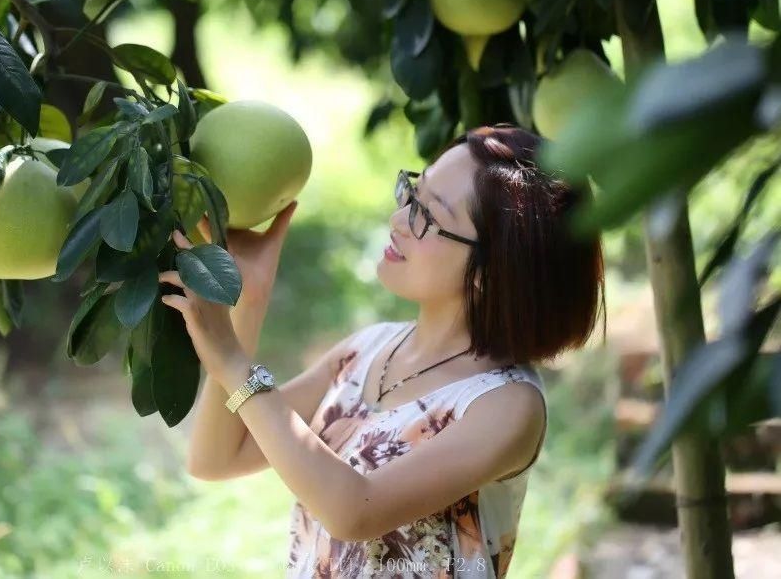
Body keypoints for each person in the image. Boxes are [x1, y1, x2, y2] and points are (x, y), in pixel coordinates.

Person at [158, 124, 606, 578]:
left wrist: (235, 365)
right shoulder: (365, 352)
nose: (397, 220)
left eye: (428, 217)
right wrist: (249, 301)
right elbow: (216, 458)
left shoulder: (506, 405)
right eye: (413, 193)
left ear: (490, 270)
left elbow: (355, 511)